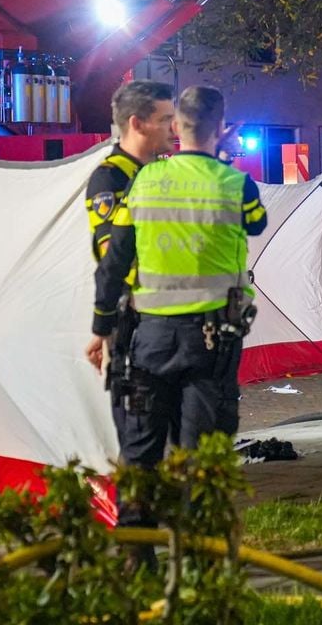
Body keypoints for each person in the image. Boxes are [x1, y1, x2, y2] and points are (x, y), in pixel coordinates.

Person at [85, 83, 266, 472]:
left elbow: (115, 261)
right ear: (138, 124)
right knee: (194, 455)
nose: (171, 128)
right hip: (180, 332)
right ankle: (186, 528)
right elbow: (112, 259)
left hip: (149, 335)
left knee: (146, 454)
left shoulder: (146, 179)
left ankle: (148, 528)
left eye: (175, 120)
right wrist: (106, 326)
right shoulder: (115, 178)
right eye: (164, 119)